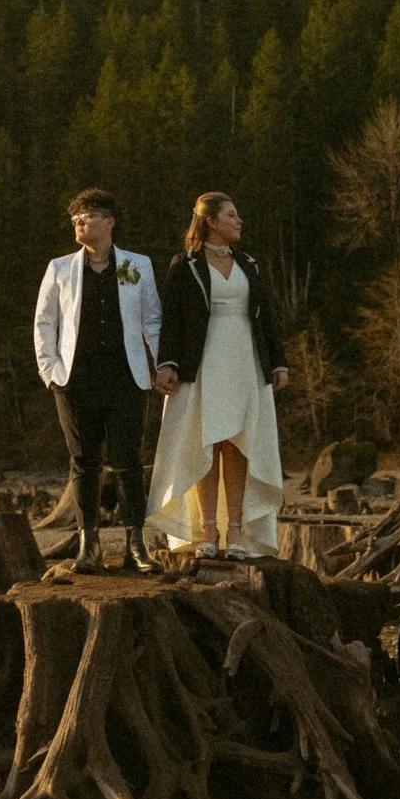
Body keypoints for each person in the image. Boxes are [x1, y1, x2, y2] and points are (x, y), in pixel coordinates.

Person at [146, 192, 288, 558]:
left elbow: (267, 315)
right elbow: (172, 320)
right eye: (231, 214)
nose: (239, 220)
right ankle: (208, 529)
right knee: (205, 442)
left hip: (244, 360)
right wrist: (168, 363)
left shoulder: (250, 264)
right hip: (204, 361)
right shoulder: (186, 264)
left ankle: (237, 531)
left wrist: (278, 363)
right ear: (210, 220)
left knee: (240, 442)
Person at [32, 188, 165, 573]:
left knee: (128, 462)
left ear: (109, 222)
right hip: (75, 380)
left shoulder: (133, 266)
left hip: (127, 377)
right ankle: (87, 546)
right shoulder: (61, 268)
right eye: (75, 218)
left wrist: (162, 365)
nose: (78, 222)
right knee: (83, 463)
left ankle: (135, 546)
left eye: (86, 216)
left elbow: (151, 320)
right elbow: (45, 323)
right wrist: (51, 372)